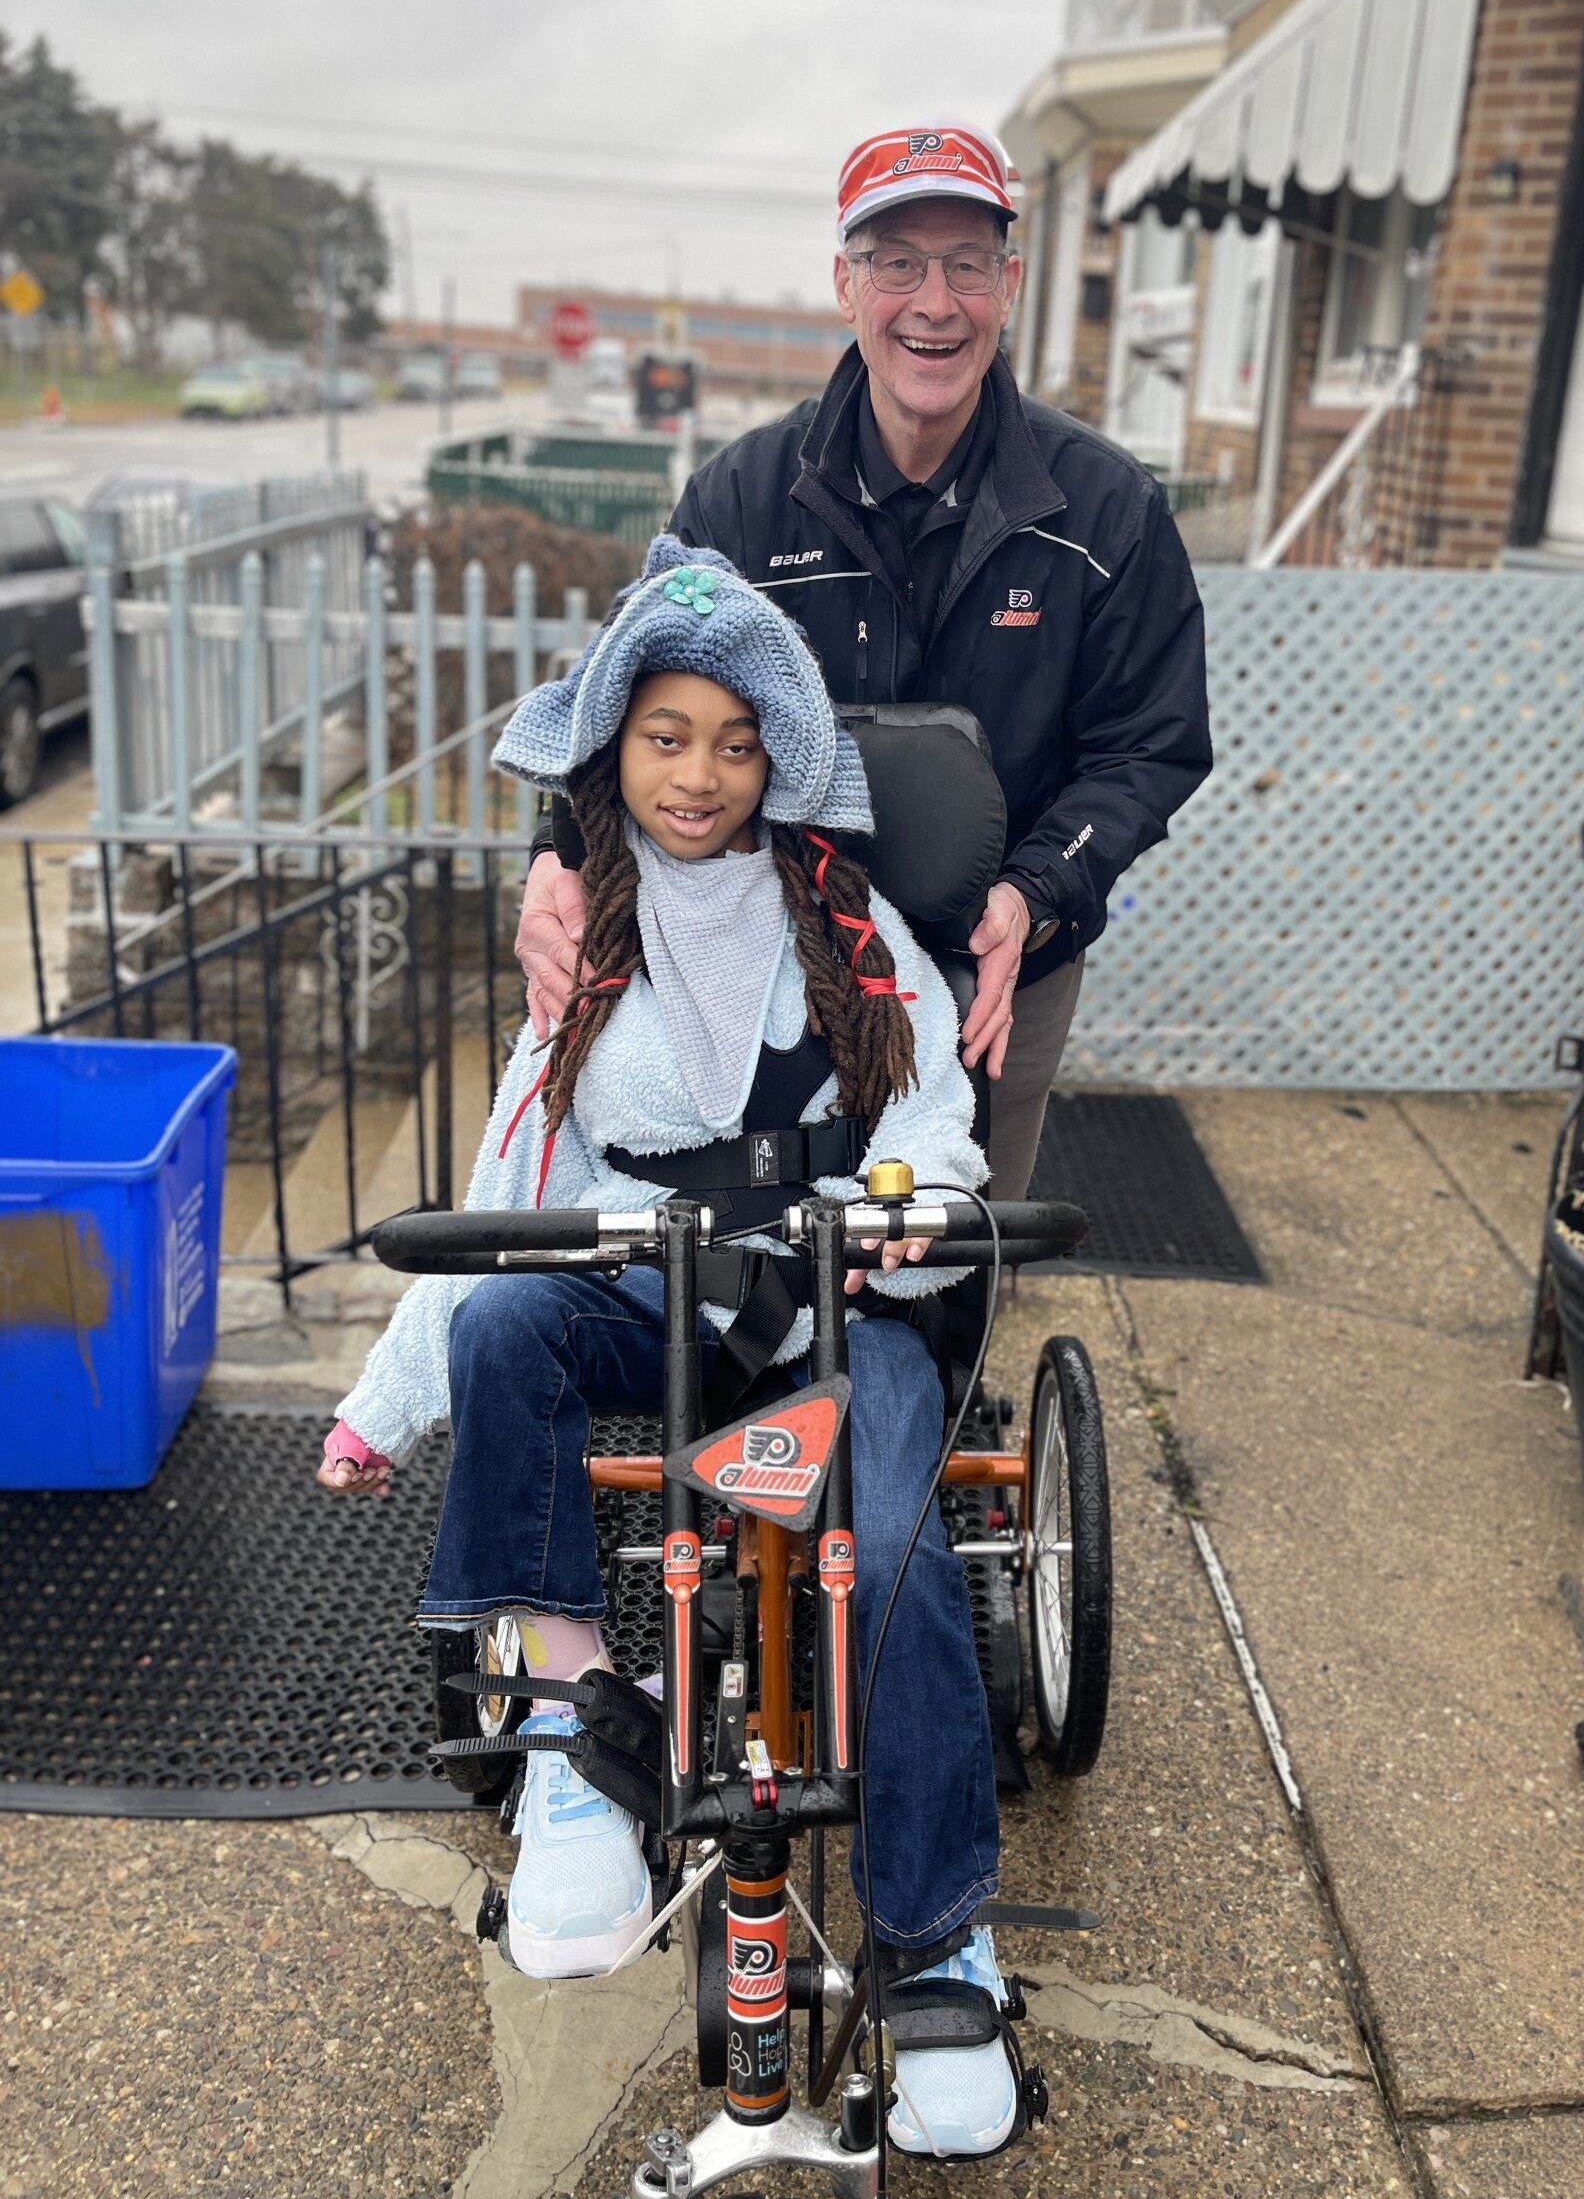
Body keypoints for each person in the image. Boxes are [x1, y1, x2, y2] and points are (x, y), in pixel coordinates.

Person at [315, 538, 1023, 2155]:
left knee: (902, 1528)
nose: (699, 773)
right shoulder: (587, 950)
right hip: (648, 1287)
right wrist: (386, 1401)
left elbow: (932, 1107)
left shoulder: (845, 926)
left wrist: (905, 1195)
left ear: (774, 757)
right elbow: (510, 1178)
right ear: (610, 752)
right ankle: (573, 1740)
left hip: (839, 1297)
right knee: (505, 1314)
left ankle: (934, 1934)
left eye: (733, 740)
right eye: (664, 735)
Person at [516, 120, 1211, 1202]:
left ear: (1009, 283)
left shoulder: (1106, 513)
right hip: (769, 957)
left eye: (967, 265)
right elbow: (627, 700)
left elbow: (1151, 744)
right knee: (748, 1254)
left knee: (952, 1257)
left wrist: (1038, 888)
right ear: (847, 285)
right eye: (896, 263)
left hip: (994, 966)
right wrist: (556, 857)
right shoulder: (743, 501)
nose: (934, 301)